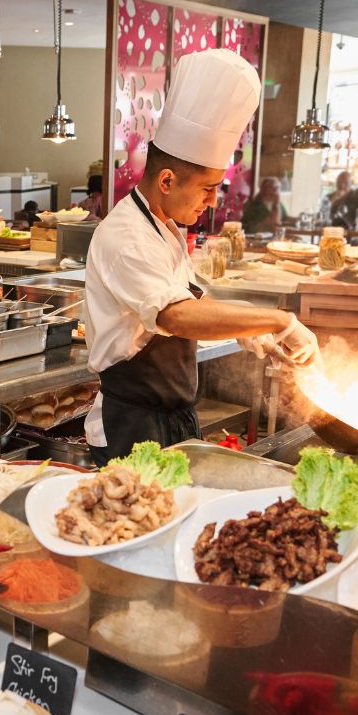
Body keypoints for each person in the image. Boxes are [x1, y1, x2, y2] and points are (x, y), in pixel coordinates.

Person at [83, 49, 319, 464]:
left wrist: (248, 332)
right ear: (168, 180)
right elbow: (175, 316)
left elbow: (189, 299)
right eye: (208, 188)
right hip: (131, 427)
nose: (212, 202)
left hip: (171, 418)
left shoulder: (166, 228)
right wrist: (280, 320)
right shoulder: (126, 236)